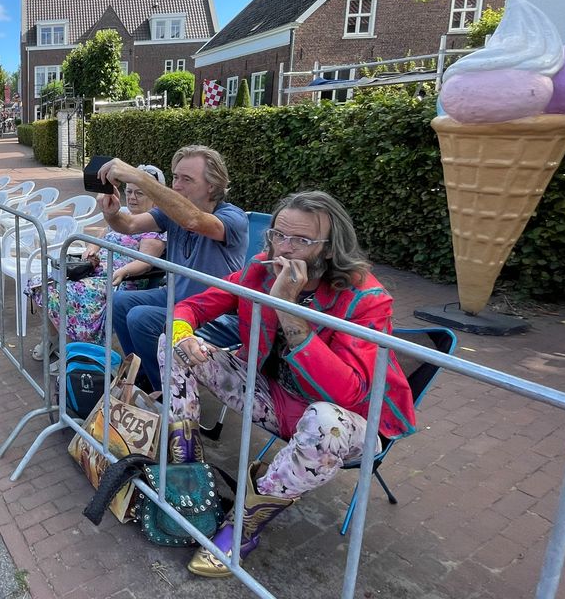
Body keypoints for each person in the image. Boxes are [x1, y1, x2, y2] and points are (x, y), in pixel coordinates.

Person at [165, 190, 415, 579]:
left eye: (302, 240)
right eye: (279, 235)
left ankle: (243, 526)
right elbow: (196, 305)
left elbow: (347, 395)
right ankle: (184, 469)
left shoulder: (367, 300)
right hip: (273, 396)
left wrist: (286, 306)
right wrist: (183, 331)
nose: (285, 248)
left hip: (346, 423)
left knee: (325, 420)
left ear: (330, 248)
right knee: (172, 343)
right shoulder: (261, 269)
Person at [96, 148, 249, 391]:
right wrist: (111, 213)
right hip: (177, 300)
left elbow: (194, 221)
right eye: (175, 177)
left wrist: (139, 177)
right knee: (120, 301)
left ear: (212, 185)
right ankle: (146, 373)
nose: (177, 185)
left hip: (216, 314)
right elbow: (130, 224)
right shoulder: (172, 213)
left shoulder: (233, 218)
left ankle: (170, 397)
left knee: (141, 318)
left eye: (186, 179)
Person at [29, 176, 166, 350]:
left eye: (139, 193)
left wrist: (122, 271)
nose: (132, 197)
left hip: (119, 280)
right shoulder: (123, 213)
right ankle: (56, 341)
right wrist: (92, 248)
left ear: (154, 197)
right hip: (94, 269)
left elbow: (145, 262)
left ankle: (74, 351)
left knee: (62, 290)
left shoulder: (155, 227)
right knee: (40, 284)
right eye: (129, 191)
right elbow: (102, 234)